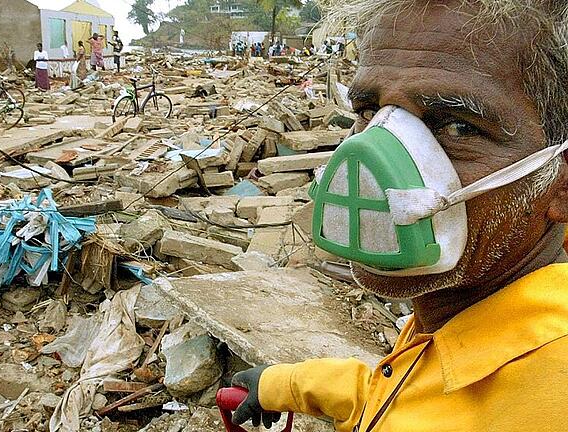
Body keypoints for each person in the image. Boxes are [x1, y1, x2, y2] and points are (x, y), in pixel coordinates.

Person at [230, 1, 568, 431]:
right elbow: (398, 392)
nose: (375, 163)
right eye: (370, 113)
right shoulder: (468, 310)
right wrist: (283, 384)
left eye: (458, 127)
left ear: (561, 183)